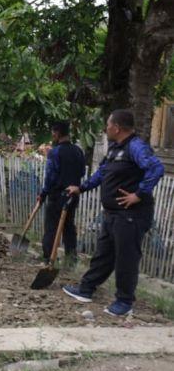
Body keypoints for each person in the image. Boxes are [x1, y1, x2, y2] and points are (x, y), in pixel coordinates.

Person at [62, 110, 165, 317]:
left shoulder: (136, 147)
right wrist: (81, 188)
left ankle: (125, 302)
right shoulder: (114, 149)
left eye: (108, 125)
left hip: (131, 215)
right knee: (103, 254)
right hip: (112, 214)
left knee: (126, 258)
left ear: (117, 127)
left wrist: (139, 194)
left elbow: (156, 168)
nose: (106, 128)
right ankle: (86, 289)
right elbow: (102, 173)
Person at [38, 121, 85, 264]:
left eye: (53, 131)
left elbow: (50, 176)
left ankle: (48, 258)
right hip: (72, 196)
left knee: (51, 227)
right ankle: (71, 259)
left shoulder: (55, 152)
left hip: (57, 196)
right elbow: (82, 172)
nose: (52, 134)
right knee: (69, 227)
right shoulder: (78, 151)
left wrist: (44, 193)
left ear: (57, 133)